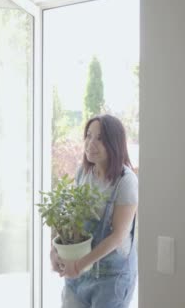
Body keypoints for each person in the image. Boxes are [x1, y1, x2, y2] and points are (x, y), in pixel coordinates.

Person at [51, 114, 138, 308]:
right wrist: (55, 250)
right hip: (78, 276)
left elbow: (118, 236)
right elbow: (72, 218)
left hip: (111, 280)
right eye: (88, 135)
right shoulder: (83, 172)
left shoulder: (126, 181)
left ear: (114, 143)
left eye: (99, 138)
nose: (91, 143)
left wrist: (78, 265)